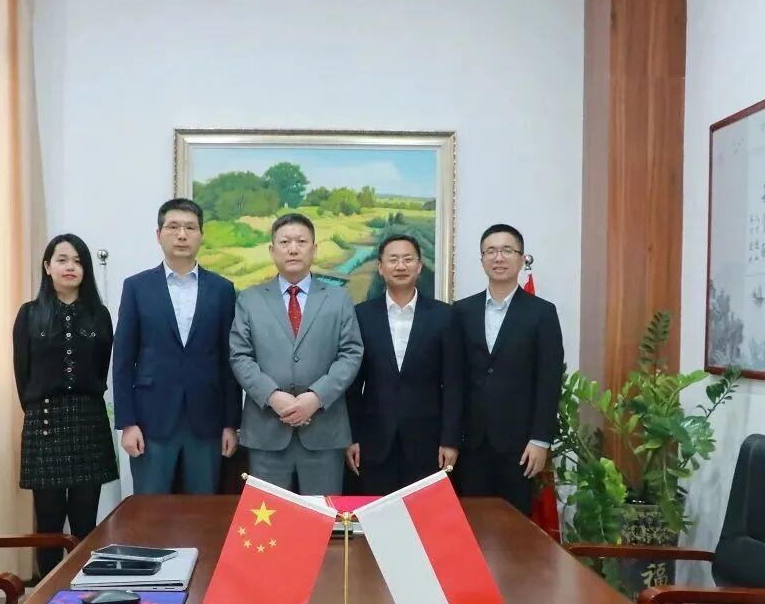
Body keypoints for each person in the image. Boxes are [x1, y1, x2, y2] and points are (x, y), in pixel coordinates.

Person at [113, 198, 241, 494]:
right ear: (159, 235)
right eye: (173, 227)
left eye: (190, 228)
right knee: (150, 510)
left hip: (207, 421)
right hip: (151, 421)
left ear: (201, 235)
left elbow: (229, 361)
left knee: (202, 510)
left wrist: (231, 423)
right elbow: (123, 360)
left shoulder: (222, 289)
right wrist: (127, 423)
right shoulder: (137, 287)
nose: (182, 235)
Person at [229, 213, 363, 494]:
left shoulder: (338, 298)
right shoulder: (250, 299)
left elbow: (351, 353)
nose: (293, 249)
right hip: (267, 430)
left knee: (322, 517)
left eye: (301, 242)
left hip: (323, 431)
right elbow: (240, 356)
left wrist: (316, 397)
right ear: (272, 250)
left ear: (314, 249)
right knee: (269, 518)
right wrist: (272, 396)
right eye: (285, 242)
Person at [13, 233, 116, 577]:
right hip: (44, 423)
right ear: (47, 266)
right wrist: (40, 410)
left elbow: (101, 368)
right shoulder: (29, 315)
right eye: (62, 260)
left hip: (88, 420)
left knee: (85, 520)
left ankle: (83, 588)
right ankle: (47, 588)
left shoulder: (98, 315)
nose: (70, 267)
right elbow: (23, 375)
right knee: (49, 521)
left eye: (78, 261)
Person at [452, 223, 563, 515]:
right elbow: (453, 379)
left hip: (520, 445)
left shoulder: (542, 313)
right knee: (471, 523)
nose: (498, 257)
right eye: (490, 251)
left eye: (507, 250)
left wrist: (540, 440)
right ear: (481, 259)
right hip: (470, 443)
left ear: (522, 258)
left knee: (515, 527)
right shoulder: (461, 312)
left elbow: (549, 381)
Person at [346, 234, 462, 494]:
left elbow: (454, 384)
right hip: (374, 441)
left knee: (424, 514)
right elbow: (351, 386)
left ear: (419, 266)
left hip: (428, 442)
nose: (400, 266)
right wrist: (351, 437)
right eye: (393, 260)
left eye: (408, 259)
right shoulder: (361, 315)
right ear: (380, 267)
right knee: (374, 513)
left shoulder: (444, 316)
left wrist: (450, 440)